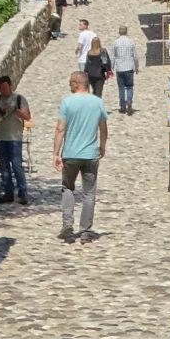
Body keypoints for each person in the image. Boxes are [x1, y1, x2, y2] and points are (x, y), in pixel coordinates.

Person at [56, 68, 110, 243]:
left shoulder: (67, 103)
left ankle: (67, 223)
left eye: (70, 82)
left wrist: (55, 153)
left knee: (67, 188)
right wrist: (102, 145)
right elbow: (103, 127)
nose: (69, 85)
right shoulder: (98, 102)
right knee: (89, 193)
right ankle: (85, 230)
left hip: (70, 154)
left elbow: (60, 129)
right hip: (90, 154)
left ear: (76, 83)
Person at [0, 71, 32, 204]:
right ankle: (8, 192)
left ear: (10, 85)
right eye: (0, 88)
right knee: (3, 166)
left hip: (14, 137)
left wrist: (15, 110)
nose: (2, 90)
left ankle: (22, 192)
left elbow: (27, 116)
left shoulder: (19, 99)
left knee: (16, 165)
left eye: (4, 87)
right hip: (1, 136)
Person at [109, 23, 139, 114]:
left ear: (119, 32)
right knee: (130, 87)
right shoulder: (131, 42)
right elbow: (135, 56)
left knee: (121, 88)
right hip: (129, 67)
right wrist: (137, 67)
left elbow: (113, 57)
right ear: (126, 32)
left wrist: (111, 68)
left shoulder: (116, 42)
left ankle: (122, 106)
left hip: (120, 68)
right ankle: (129, 101)